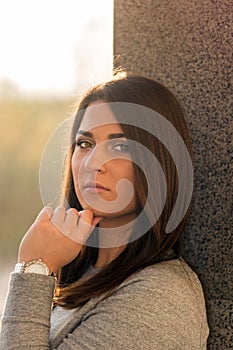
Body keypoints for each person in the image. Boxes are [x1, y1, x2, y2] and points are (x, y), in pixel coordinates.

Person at [0, 73, 209, 349]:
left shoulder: (160, 296)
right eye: (85, 144)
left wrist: (34, 268)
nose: (93, 163)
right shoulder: (82, 271)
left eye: (120, 145)